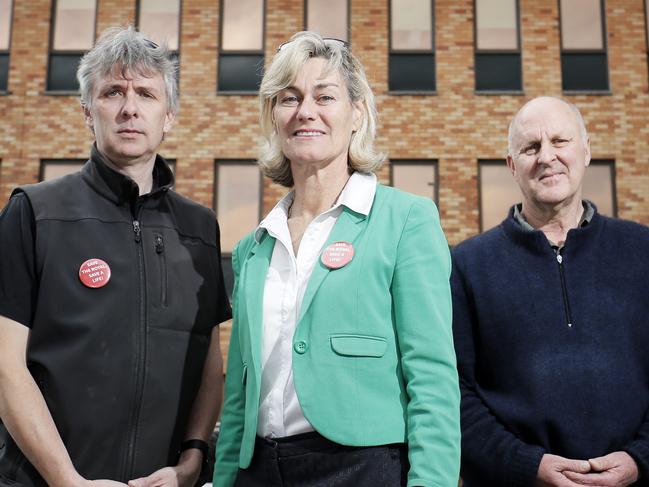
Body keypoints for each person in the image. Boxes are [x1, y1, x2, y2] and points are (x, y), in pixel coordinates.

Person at [213, 31, 460, 487]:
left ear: (357, 114)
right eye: (289, 99)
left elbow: (432, 377)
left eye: (324, 96)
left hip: (363, 469)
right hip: (259, 472)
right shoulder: (253, 247)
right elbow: (239, 394)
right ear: (275, 117)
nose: (305, 111)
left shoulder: (406, 220)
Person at [0, 26, 231, 487]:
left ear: (169, 116)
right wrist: (68, 481)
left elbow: (208, 359)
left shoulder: (199, 228)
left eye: (146, 93)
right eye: (113, 92)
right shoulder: (36, 211)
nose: (130, 108)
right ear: (89, 112)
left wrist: (192, 460)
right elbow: (5, 364)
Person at [451, 96, 649, 487]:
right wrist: (526, 466)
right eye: (530, 147)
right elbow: (453, 391)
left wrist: (639, 457)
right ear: (512, 165)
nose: (546, 157)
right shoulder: (467, 265)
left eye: (560, 141)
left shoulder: (642, 251)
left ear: (586, 151)